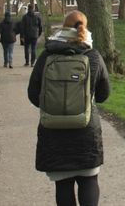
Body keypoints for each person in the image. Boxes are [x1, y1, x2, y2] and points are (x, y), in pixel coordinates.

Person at [27, 10, 110, 206]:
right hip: (86, 131)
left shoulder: (47, 55)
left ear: (63, 27)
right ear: (85, 26)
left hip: (54, 134)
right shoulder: (93, 56)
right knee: (89, 180)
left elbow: (33, 93)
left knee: (63, 185)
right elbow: (104, 94)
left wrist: (54, 108)